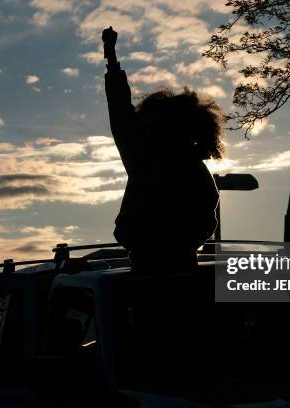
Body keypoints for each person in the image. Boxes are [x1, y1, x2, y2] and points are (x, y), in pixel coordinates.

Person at [102, 26, 223, 273]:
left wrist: (112, 60)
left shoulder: (146, 160)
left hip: (153, 261)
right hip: (181, 262)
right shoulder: (196, 169)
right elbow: (206, 220)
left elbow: (121, 114)